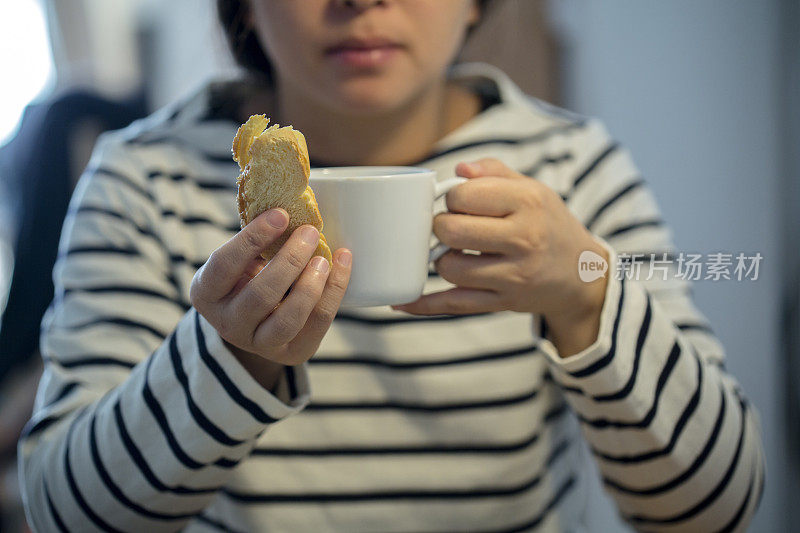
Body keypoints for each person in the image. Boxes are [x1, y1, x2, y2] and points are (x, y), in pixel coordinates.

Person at [18, 0, 764, 531]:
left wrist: (584, 295)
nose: (361, 0)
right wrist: (231, 359)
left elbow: (716, 505)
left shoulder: (571, 170)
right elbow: (62, 510)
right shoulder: (146, 179)